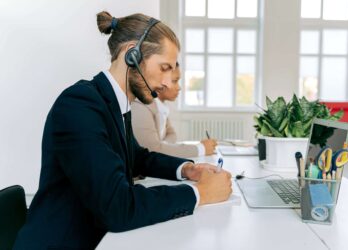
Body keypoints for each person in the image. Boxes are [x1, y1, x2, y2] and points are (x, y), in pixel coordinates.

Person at [13, 12, 232, 249]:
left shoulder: (115, 104)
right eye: (164, 68)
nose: (169, 83)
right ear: (132, 54)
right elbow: (117, 207)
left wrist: (187, 170)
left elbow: (137, 157)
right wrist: (199, 193)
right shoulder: (79, 105)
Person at [131, 65, 217, 158]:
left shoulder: (160, 106)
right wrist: (201, 149)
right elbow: (153, 150)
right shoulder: (141, 106)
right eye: (175, 81)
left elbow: (172, 134)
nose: (179, 88)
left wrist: (163, 146)